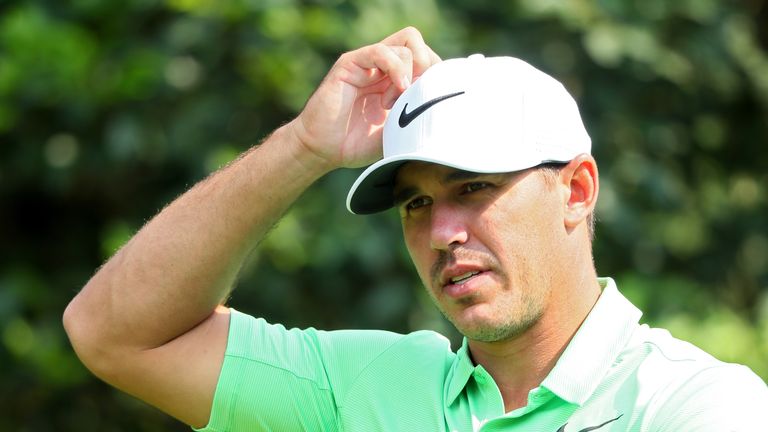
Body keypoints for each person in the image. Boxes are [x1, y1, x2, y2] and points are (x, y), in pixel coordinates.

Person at [63, 27, 767, 431]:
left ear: (577, 191)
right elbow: (113, 332)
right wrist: (303, 147)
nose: (441, 233)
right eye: (417, 204)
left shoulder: (697, 408)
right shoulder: (362, 386)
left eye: (472, 188)